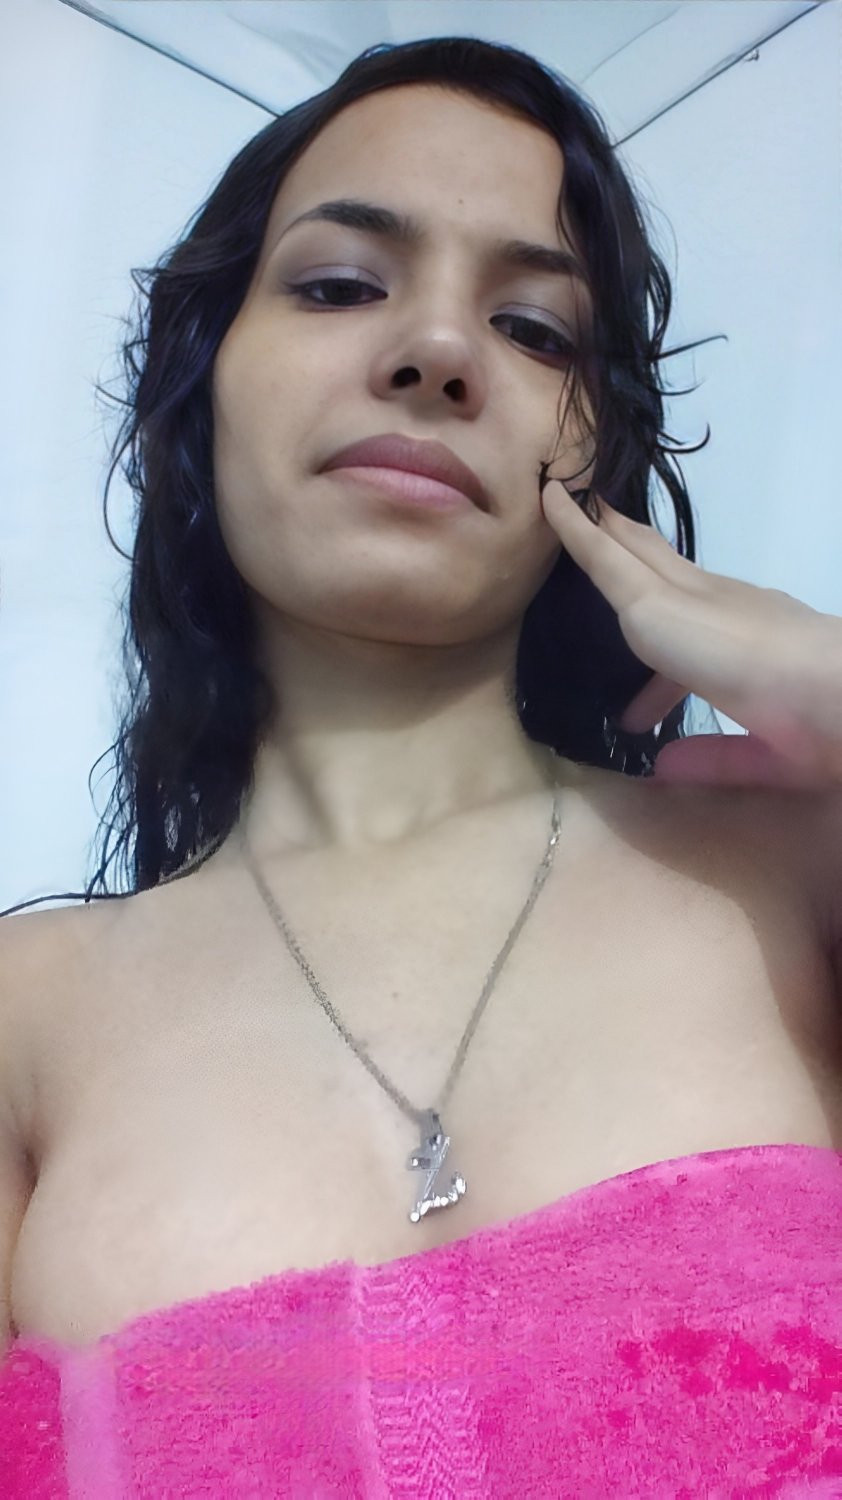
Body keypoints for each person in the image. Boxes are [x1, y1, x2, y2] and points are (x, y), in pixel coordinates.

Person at [1, 36, 840, 1497]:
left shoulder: (798, 865)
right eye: (338, 286)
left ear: (591, 446)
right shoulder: (28, 1017)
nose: (439, 349)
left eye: (533, 329)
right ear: (200, 389)